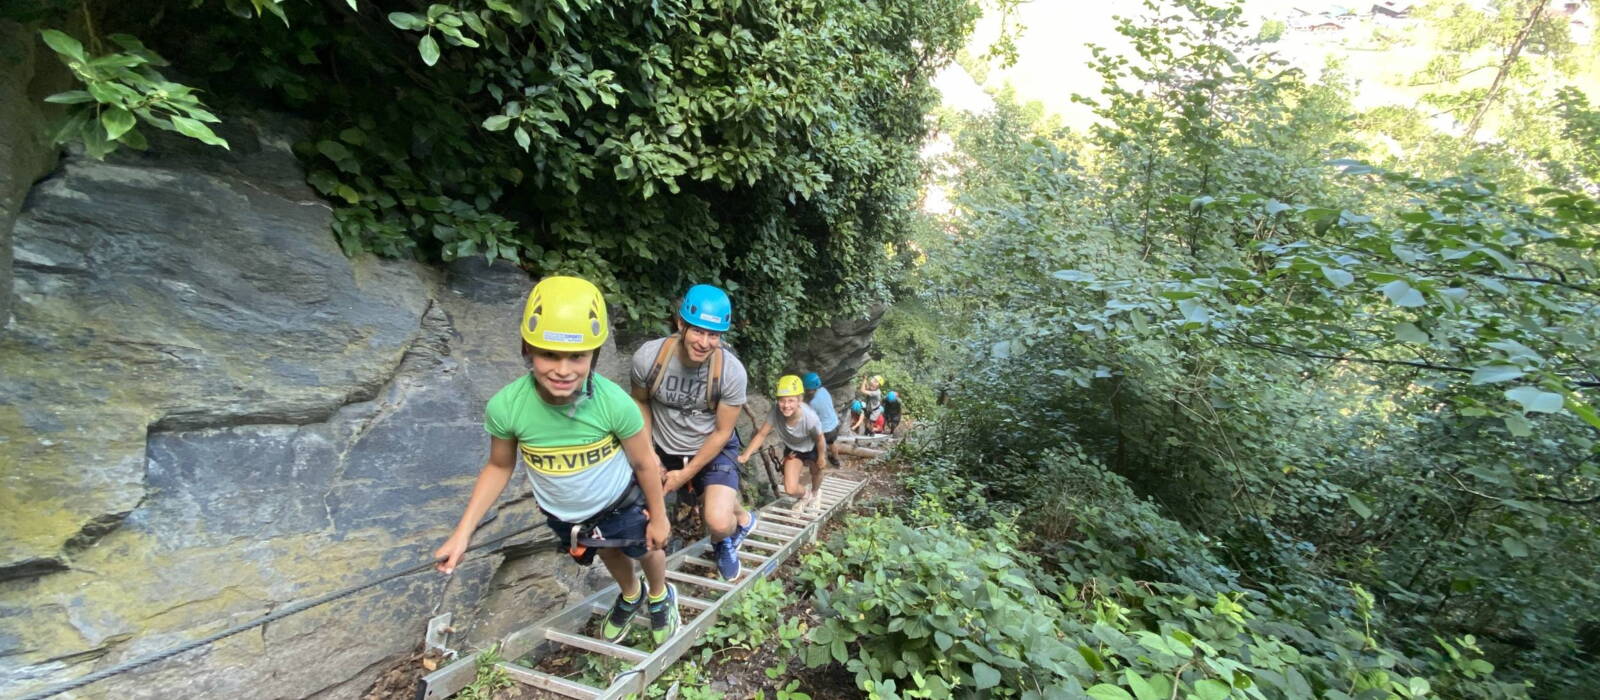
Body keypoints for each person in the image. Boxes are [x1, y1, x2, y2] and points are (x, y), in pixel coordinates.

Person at [434, 276, 678, 646]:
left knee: (646, 548)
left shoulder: (614, 403)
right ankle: (632, 594)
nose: (563, 370)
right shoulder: (508, 406)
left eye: (577, 356)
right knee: (605, 548)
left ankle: (660, 594)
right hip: (568, 514)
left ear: (593, 356)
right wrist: (462, 532)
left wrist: (659, 517)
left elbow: (644, 462)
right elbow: (499, 466)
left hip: (619, 500)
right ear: (527, 349)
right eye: (549, 354)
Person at [630, 284, 758, 581]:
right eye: (698, 331)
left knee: (716, 520)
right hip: (663, 445)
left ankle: (726, 535)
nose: (704, 342)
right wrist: (649, 453)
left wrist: (684, 476)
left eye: (713, 335)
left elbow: (722, 431)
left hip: (713, 446)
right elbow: (640, 401)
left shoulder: (731, 372)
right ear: (681, 325)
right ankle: (737, 514)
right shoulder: (649, 358)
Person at [739, 375, 828, 510]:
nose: (786, 405)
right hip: (794, 449)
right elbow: (762, 434)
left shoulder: (810, 418)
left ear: (800, 400)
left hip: (812, 447)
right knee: (790, 489)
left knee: (816, 471)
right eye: (782, 400)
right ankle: (806, 495)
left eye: (791, 400)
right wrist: (746, 454)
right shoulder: (776, 412)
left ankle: (816, 492)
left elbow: (820, 439)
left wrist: (821, 457)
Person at [801, 372, 841, 465]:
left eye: (806, 389)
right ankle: (836, 459)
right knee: (832, 443)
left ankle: (819, 462)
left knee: (818, 448)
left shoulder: (814, 403)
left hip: (825, 430)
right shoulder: (824, 390)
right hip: (834, 425)